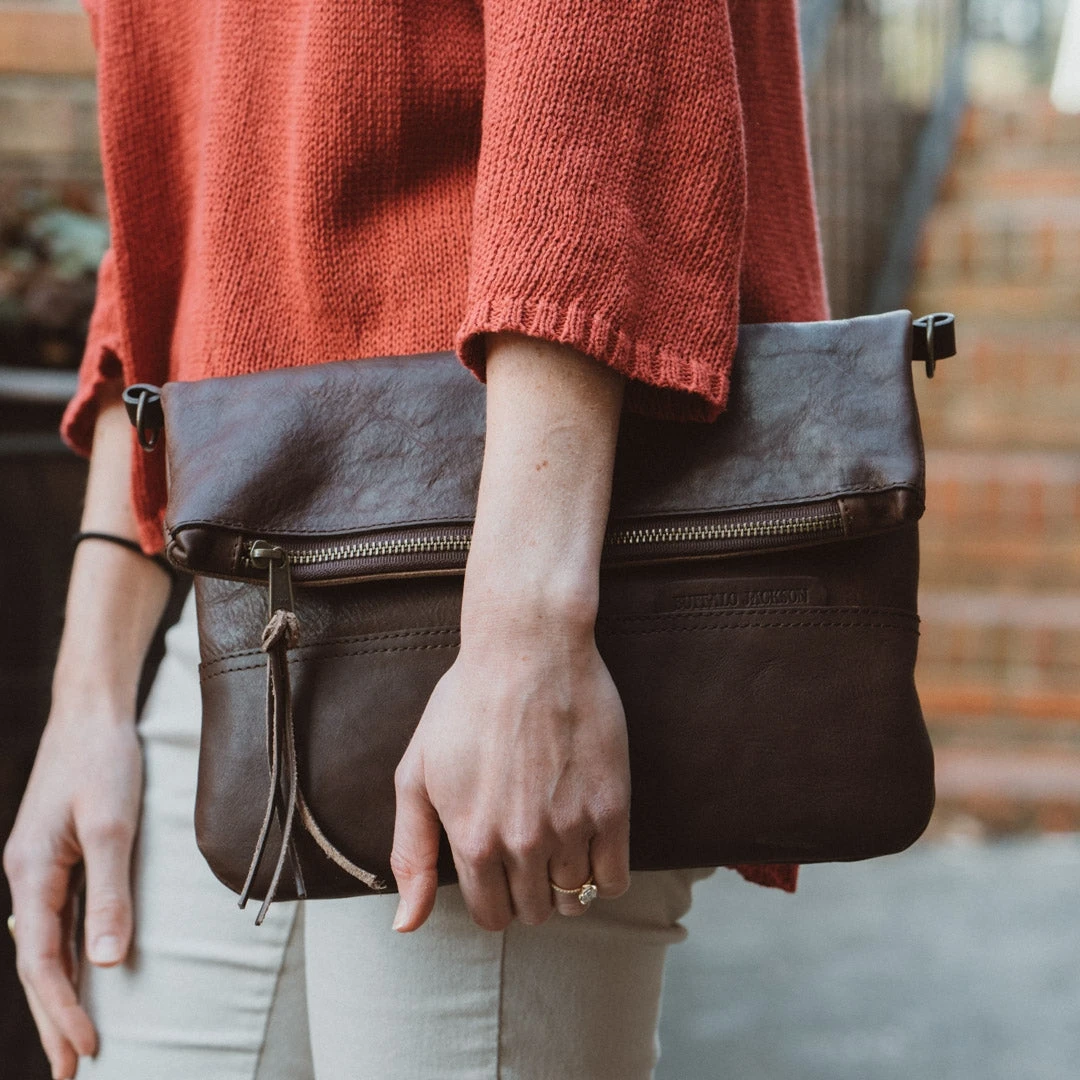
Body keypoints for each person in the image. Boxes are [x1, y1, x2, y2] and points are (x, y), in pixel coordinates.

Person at [4, 1, 829, 1077]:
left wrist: (527, 633)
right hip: (242, 614)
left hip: (503, 560)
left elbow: (592, 81)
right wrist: (88, 698)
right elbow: (167, 201)